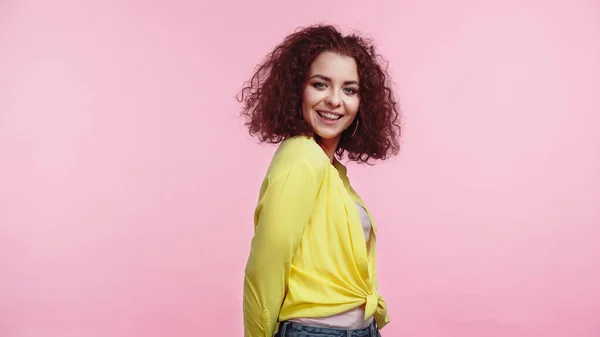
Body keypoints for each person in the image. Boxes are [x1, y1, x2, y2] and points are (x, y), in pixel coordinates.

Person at [237, 24, 401, 337]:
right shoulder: (302, 156)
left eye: (349, 89)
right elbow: (266, 265)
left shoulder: (331, 169)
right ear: (297, 89)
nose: (335, 100)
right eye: (320, 84)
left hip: (361, 329)